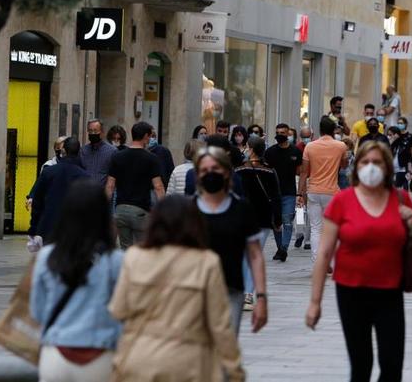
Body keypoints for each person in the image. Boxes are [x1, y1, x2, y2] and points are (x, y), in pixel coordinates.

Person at [305, 141, 412, 382]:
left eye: (377, 162)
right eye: (365, 162)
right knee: (361, 365)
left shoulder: (401, 199)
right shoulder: (343, 201)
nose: (371, 167)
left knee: (392, 367)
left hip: (390, 291)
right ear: (356, 166)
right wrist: (315, 302)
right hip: (351, 291)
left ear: (387, 167)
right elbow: (325, 253)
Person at [109, 195, 245, 382]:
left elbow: (118, 311)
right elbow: (220, 325)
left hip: (140, 358)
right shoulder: (206, 262)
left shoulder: (134, 257)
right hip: (188, 362)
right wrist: (234, 369)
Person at [30, 181, 122, 381]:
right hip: (100, 355)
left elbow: (36, 311)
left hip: (55, 354)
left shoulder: (46, 257)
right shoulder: (115, 261)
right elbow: (123, 312)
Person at [193, 146, 267, 334]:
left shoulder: (241, 209)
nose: (210, 174)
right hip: (194, 292)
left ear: (227, 173)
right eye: (204, 170)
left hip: (231, 290)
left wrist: (261, 297)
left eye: (215, 169)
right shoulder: (188, 210)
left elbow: (255, 255)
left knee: (226, 347)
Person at [235, 137, 281, 309]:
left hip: (243, 218)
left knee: (243, 256)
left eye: (247, 147)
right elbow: (276, 197)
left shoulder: (239, 170)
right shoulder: (269, 171)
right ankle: (248, 293)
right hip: (263, 219)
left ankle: (243, 292)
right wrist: (277, 219)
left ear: (251, 149)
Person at [105, 122, 165, 249]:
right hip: (141, 210)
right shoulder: (151, 159)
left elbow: (110, 186)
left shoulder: (117, 157)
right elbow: (158, 186)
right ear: (145, 136)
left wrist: (104, 206)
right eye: (149, 136)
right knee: (143, 248)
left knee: (125, 248)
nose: (150, 139)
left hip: (120, 209)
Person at [298, 116, 348, 262]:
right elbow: (344, 165)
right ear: (333, 130)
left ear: (319, 130)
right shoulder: (340, 146)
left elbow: (304, 172)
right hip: (332, 192)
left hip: (313, 190)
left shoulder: (310, 147)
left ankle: (317, 260)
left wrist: (300, 193)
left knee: (315, 228)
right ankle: (330, 260)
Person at [28, 137, 90, 245]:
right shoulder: (85, 176)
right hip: (74, 229)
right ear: (79, 152)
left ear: (63, 151)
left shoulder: (48, 172)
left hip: (49, 227)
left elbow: (37, 202)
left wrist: (34, 227)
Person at [264, 123, 304, 262]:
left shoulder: (295, 152)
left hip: (289, 192)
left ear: (288, 134)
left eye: (282, 132)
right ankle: (280, 247)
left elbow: (300, 172)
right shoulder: (269, 152)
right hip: (274, 193)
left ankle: (284, 249)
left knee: (287, 221)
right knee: (276, 222)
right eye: (277, 132)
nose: (279, 134)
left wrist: (300, 194)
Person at [79, 119, 117, 186]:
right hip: (85, 192)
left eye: (95, 131)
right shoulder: (83, 151)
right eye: (90, 131)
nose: (93, 133)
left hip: (102, 194)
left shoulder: (112, 151)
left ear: (102, 133)